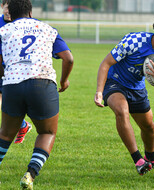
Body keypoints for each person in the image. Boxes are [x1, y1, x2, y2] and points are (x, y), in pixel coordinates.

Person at [94, 14, 154, 175]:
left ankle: (151, 157)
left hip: (136, 88)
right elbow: (106, 63)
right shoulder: (134, 41)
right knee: (122, 111)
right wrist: (99, 92)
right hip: (114, 81)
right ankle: (138, 160)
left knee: (148, 127)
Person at [0, 0, 74, 189]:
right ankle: (30, 174)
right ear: (31, 12)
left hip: (12, 84)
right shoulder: (47, 29)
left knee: (6, 134)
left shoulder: (4, 31)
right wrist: (64, 80)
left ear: (10, 13)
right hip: (42, 83)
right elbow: (68, 58)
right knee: (47, 132)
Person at [0, 0, 32, 144]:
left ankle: (22, 125)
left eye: (10, 8)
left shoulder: (22, 25)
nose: (7, 11)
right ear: (2, 7)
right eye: (5, 7)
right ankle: (22, 125)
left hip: (12, 72)